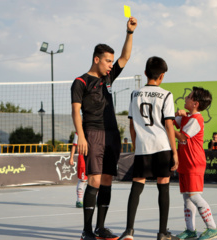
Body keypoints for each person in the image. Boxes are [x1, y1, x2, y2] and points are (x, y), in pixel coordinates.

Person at [71, 16, 137, 240]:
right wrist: (80, 136)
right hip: (93, 133)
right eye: (108, 61)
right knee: (95, 180)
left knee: (107, 180)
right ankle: (86, 230)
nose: (111, 64)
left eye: (111, 61)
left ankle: (100, 227)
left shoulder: (109, 77)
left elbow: (125, 56)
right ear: (96, 59)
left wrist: (129, 33)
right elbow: (75, 111)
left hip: (112, 135)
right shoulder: (80, 82)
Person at [118, 56, 179, 240]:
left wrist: (137, 145)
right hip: (162, 146)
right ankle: (162, 233)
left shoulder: (135, 94)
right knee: (164, 187)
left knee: (136, 186)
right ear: (162, 76)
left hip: (143, 147)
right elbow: (169, 125)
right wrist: (174, 152)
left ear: (145, 73)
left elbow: (131, 124)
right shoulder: (166, 95)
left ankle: (129, 230)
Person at [174, 87, 217, 240]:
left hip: (194, 162)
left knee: (194, 196)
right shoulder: (188, 116)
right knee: (187, 197)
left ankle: (213, 228)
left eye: (188, 96)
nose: (185, 98)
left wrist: (168, 125)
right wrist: (174, 115)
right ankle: (190, 230)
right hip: (185, 162)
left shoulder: (196, 119)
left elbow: (181, 137)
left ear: (195, 103)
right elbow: (174, 120)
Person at [69, 132, 88, 208]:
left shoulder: (94, 129)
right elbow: (74, 146)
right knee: (82, 180)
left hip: (93, 157)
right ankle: (79, 201)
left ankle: (96, 199)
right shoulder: (78, 133)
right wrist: (71, 157)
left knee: (95, 179)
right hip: (83, 158)